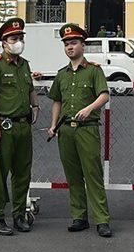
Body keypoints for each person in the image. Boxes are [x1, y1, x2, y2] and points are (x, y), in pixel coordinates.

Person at [47, 23, 112, 238]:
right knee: (73, 176)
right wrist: (53, 124)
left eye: (73, 43)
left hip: (87, 130)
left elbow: (104, 94)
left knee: (92, 174)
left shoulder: (94, 71)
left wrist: (89, 108)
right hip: (66, 131)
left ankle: (101, 219)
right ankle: (79, 216)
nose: (69, 47)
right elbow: (56, 100)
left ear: (83, 45)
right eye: (66, 44)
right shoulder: (61, 74)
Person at [0, 17, 40, 236]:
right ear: (4, 42)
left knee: (22, 173)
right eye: (14, 38)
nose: (18, 42)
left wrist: (35, 105)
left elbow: (29, 88)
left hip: (23, 126)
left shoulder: (24, 65)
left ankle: (19, 215)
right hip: (3, 127)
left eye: (20, 38)